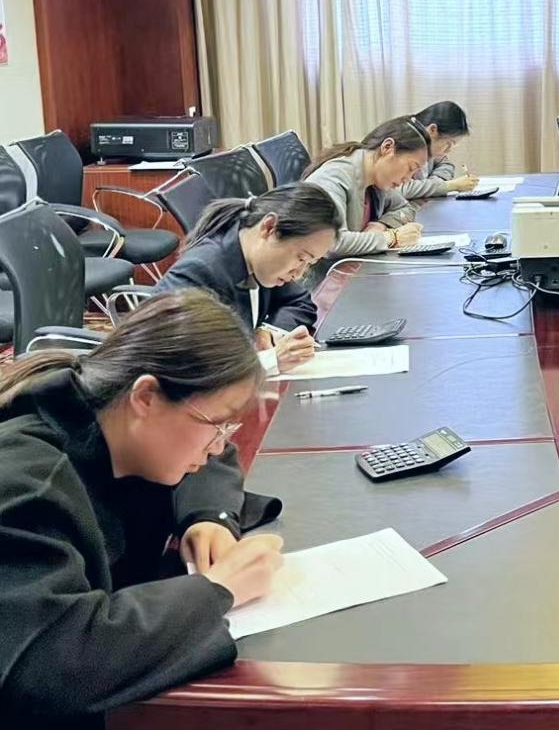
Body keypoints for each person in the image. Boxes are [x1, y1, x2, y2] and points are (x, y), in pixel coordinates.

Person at [0, 291, 284, 726]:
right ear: (147, 396)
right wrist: (216, 589)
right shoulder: (29, 487)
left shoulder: (105, 416)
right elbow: (51, 666)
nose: (217, 445)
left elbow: (214, 458)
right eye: (216, 424)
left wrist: (208, 517)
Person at [156, 184, 339, 374]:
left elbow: (299, 301)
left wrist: (269, 331)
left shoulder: (260, 262)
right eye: (301, 258)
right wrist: (269, 361)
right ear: (269, 228)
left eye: (309, 263)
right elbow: (181, 366)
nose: (299, 273)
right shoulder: (197, 273)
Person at [304, 116, 430, 269]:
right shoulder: (334, 177)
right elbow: (332, 243)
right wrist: (391, 237)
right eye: (410, 168)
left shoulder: (377, 179)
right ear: (387, 147)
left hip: (353, 270)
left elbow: (405, 208)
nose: (408, 179)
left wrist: (382, 225)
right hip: (323, 276)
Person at [401, 101, 479, 199]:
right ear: (432, 130)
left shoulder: (426, 141)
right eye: (448, 143)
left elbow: (446, 164)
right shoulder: (402, 142)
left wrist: (434, 184)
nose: (448, 150)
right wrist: (448, 186)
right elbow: (400, 189)